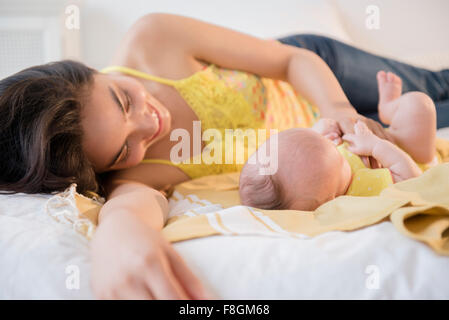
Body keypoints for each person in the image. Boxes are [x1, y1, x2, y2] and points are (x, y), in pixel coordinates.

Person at [0, 13, 448, 299]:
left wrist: (341, 113)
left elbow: (293, 60)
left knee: (433, 84)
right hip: (339, 149)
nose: (148, 124)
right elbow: (130, 209)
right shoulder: (135, 174)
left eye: (122, 100)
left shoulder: (153, 41)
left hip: (322, 78)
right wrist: (118, 235)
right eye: (122, 148)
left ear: (93, 70)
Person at [239, 71, 438, 211]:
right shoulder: (361, 191)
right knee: (419, 105)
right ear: (330, 199)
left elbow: (309, 146)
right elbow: (413, 178)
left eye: (323, 142)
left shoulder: (318, 161)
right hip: (408, 152)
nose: (336, 146)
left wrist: (322, 130)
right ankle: (389, 110)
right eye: (340, 161)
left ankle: (388, 109)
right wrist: (375, 146)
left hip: (374, 134)